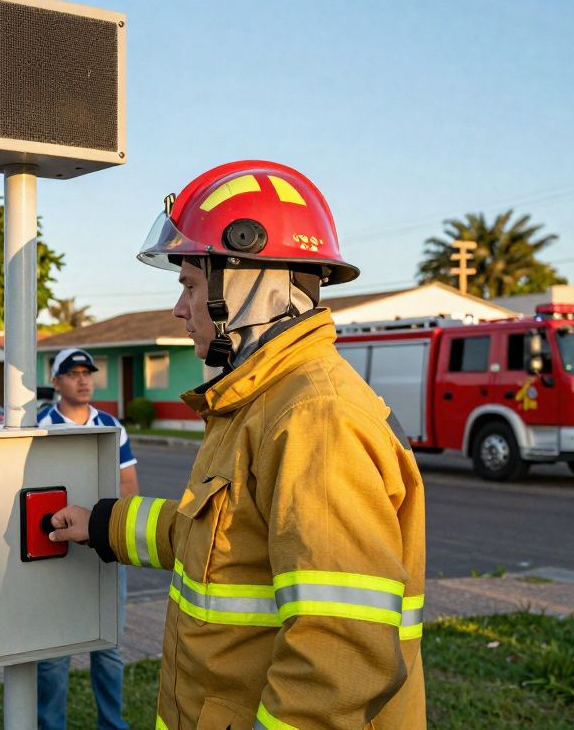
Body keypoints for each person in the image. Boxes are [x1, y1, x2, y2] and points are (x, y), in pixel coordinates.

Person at [50, 161, 427, 729]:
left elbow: (338, 651)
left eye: (191, 286)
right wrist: (103, 523)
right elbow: (218, 545)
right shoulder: (256, 402)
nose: (180, 308)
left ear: (253, 284)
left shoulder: (313, 416)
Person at [36, 347, 138, 730]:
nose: (83, 380)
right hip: (56, 551)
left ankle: (112, 724)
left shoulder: (112, 423)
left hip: (106, 546)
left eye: (88, 373)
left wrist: (107, 531)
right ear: (57, 381)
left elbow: (129, 486)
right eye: (73, 373)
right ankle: (50, 724)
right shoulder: (39, 423)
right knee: (54, 652)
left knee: (109, 647)